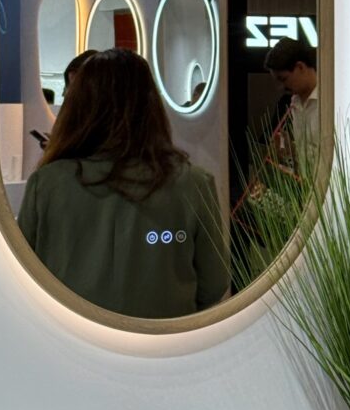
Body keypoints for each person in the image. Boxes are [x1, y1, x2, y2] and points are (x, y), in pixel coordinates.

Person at [17, 48, 229, 318]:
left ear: (78, 107)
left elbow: (22, 277)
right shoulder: (192, 183)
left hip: (69, 343)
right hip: (164, 345)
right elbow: (214, 283)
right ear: (151, 106)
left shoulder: (46, 184)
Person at [264, 37, 318, 174]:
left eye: (283, 79)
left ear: (300, 67)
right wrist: (290, 151)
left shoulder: (332, 101)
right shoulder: (294, 103)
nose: (281, 87)